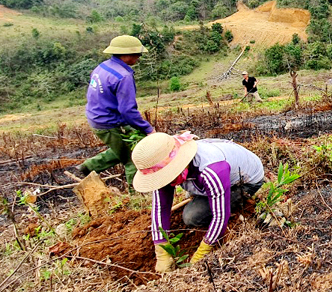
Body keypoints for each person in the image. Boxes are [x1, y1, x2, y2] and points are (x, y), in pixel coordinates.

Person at [131, 132, 265, 272]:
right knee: (191, 212)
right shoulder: (166, 167)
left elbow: (220, 216)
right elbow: (161, 208)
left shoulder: (211, 169)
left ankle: (241, 198)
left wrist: (202, 253)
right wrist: (161, 250)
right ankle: (210, 193)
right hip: (213, 178)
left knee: (192, 217)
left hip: (246, 182)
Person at [77, 35, 154, 186]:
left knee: (122, 147)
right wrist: (148, 129)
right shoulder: (123, 76)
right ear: (126, 55)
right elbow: (128, 110)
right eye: (137, 54)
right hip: (109, 123)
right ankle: (137, 195)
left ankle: (88, 167)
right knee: (133, 158)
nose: (139, 57)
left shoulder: (102, 67)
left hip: (96, 117)